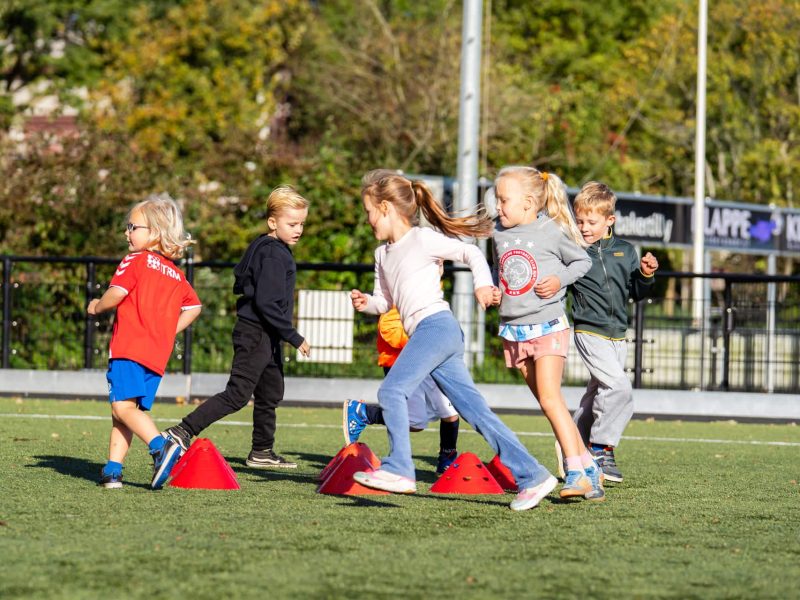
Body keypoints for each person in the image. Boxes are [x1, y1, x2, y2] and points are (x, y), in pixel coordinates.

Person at [350, 171, 557, 511]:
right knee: (475, 412)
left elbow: (471, 254)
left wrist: (480, 285)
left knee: (391, 390)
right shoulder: (381, 255)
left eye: (369, 211)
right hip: (430, 335)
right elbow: (385, 301)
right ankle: (533, 475)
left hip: (438, 327)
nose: (368, 219)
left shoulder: (422, 239)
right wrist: (366, 304)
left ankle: (400, 468)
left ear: (385, 208)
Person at [163, 185, 311, 468]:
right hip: (257, 333)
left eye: (302, 223)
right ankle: (181, 431)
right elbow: (267, 303)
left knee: (270, 392)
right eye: (292, 224)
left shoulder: (265, 247)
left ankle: (262, 451)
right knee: (237, 394)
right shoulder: (273, 254)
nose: (298, 229)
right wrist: (292, 335)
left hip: (267, 336)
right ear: (272, 222)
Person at [490, 165, 604, 502]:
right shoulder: (497, 232)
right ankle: (588, 467)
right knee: (547, 402)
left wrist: (559, 281)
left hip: (548, 325)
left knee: (552, 398)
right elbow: (503, 270)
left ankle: (575, 473)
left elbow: (581, 263)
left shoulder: (551, 231)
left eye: (503, 200)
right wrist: (496, 290)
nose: (498, 206)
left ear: (528, 202)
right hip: (513, 329)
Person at [88, 193, 201, 489]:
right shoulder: (176, 274)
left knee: (121, 409)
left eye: (132, 227)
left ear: (154, 233)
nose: (127, 232)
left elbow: (116, 294)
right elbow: (194, 307)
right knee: (125, 410)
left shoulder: (135, 260)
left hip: (129, 347)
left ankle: (161, 446)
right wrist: (168, 330)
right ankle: (113, 470)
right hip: (155, 355)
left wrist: (97, 304)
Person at [570, 181, 659, 483]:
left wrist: (646, 274)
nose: (584, 227)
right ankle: (599, 449)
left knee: (595, 394)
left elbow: (636, 291)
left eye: (591, 222)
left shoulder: (626, 251)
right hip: (588, 331)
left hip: (617, 335)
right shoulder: (573, 249)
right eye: (579, 220)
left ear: (609, 220)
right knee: (620, 389)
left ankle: (570, 446)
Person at [343, 305, 461, 474]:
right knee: (415, 422)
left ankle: (447, 461)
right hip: (403, 363)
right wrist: (425, 338)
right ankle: (364, 412)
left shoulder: (431, 283)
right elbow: (388, 327)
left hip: (429, 359)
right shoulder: (399, 287)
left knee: (449, 410)